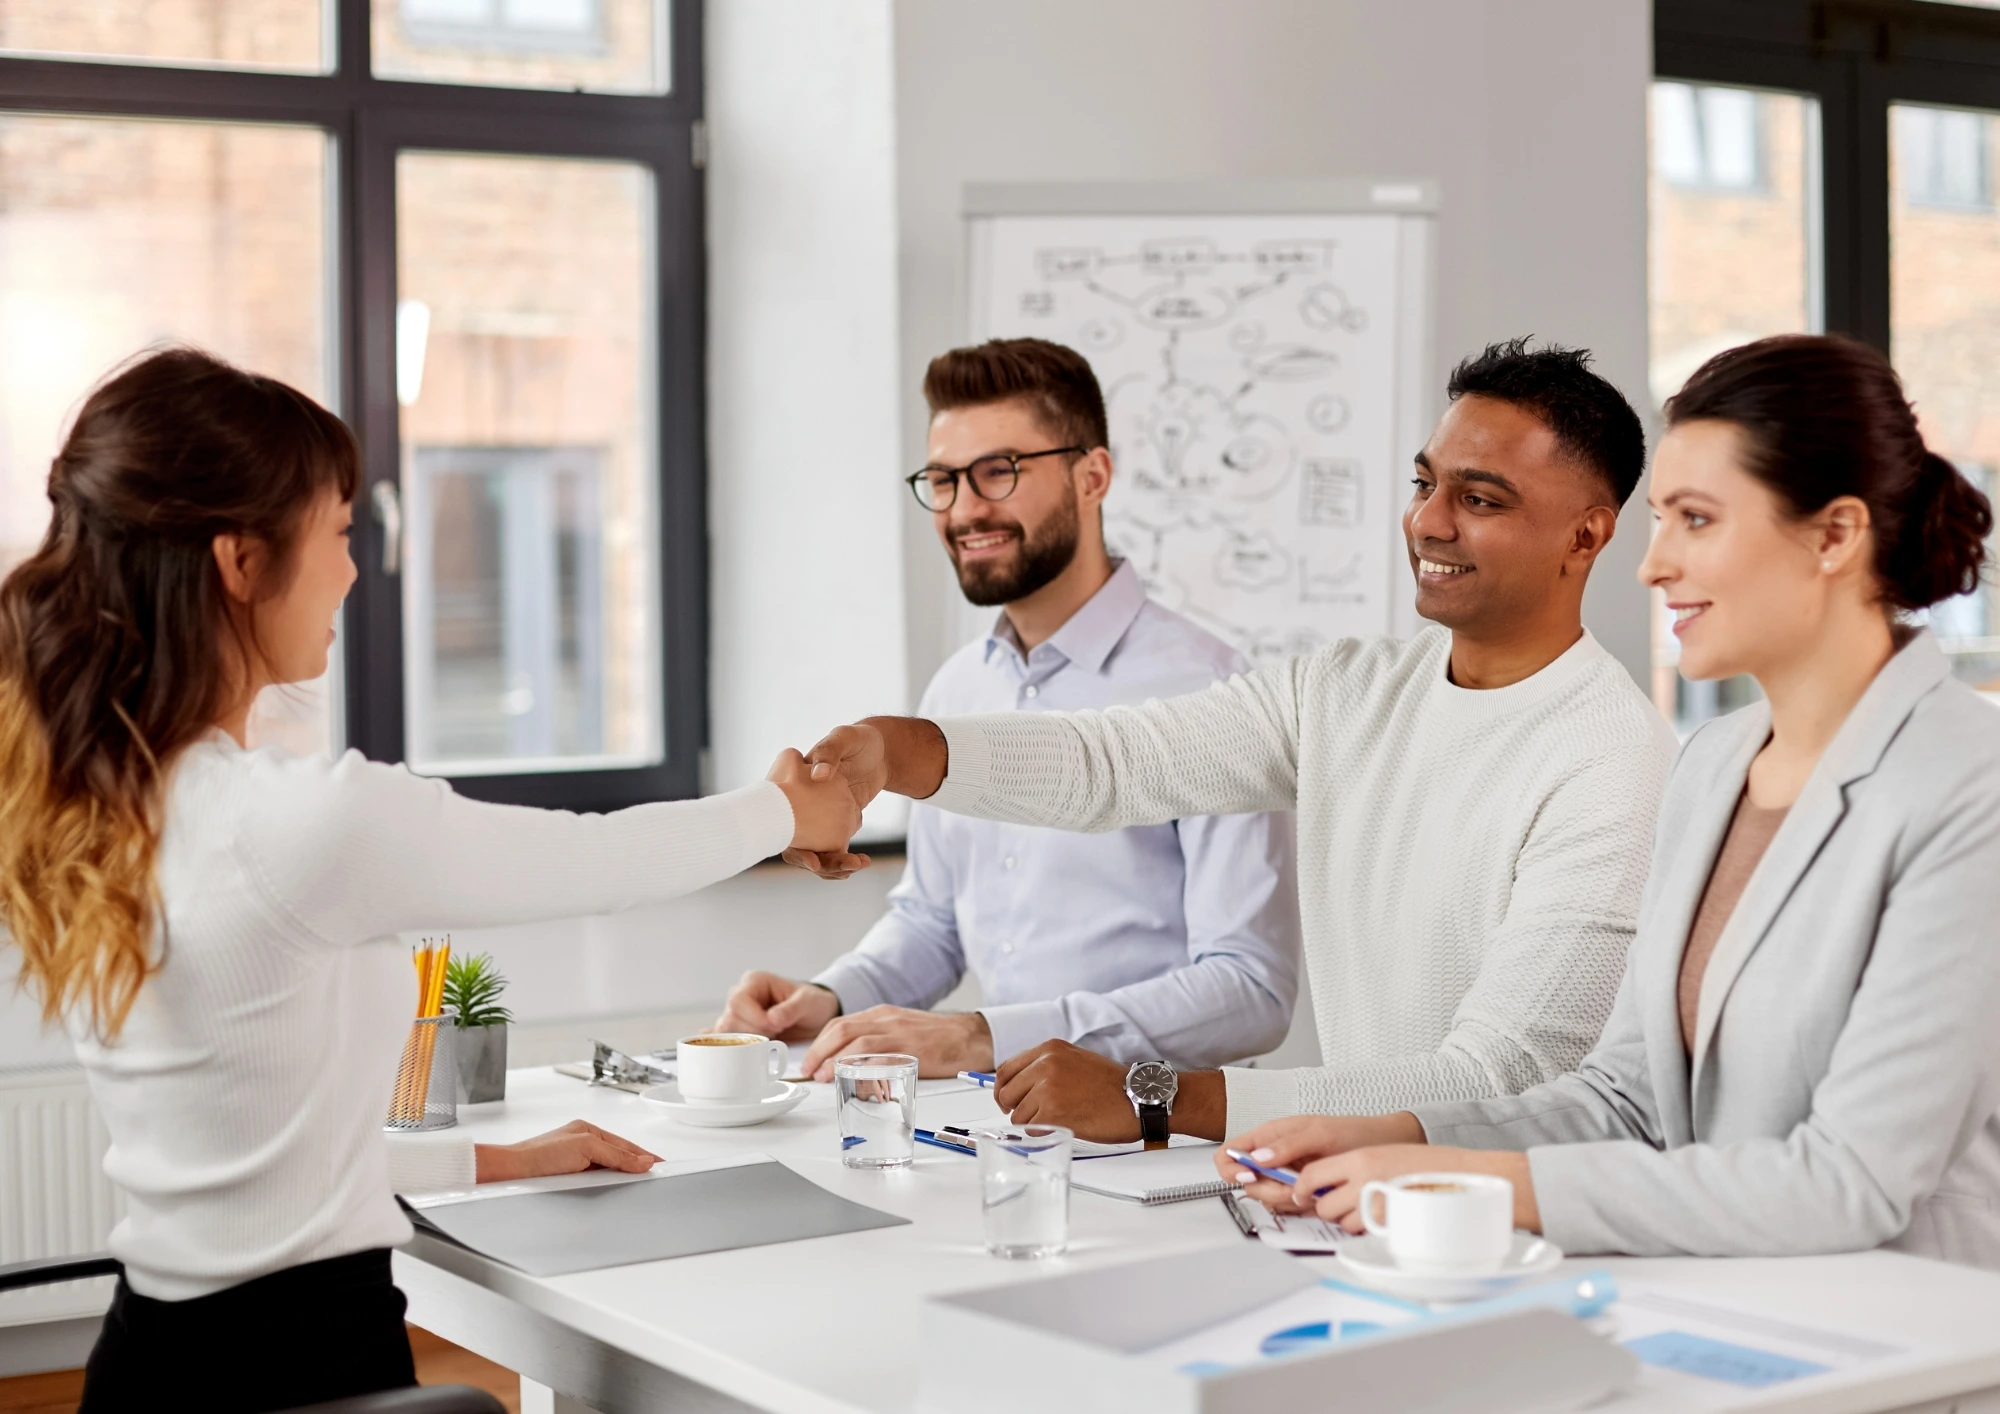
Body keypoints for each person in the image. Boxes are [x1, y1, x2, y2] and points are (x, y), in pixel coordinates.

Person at [0, 349, 861, 1411]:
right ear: (239, 561)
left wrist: (494, 1164)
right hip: (306, 1365)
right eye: (340, 532)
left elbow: (242, 1159)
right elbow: (595, 862)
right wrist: (788, 810)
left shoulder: (95, 805)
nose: (355, 572)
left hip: (152, 1367)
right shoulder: (299, 823)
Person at [1223, 334, 2000, 1270]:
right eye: (1662, 518)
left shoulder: (1968, 789)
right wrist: (1402, 1139)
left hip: (1909, 1345)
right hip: (1727, 1313)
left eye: (1698, 521)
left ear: (1834, 536)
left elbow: (1849, 1181)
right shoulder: (1714, 764)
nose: (1653, 564)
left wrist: (1495, 1185)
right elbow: (1625, 1099)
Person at [792, 339, 1679, 1143]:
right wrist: (891, 751)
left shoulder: (1611, 757)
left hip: (1513, 1217)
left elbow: (1497, 1078)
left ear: (1587, 534)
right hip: (1348, 1184)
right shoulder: (1344, 689)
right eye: (1424, 484)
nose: (1428, 522)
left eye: (1479, 498)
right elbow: (1114, 765)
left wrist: (1155, 1095)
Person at [715, 338, 1300, 1081]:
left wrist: (989, 1037)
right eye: (943, 479)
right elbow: (934, 923)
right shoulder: (958, 691)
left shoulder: (1210, 688)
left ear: (1093, 476)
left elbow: (1251, 989)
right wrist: (830, 999)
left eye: (999, 472)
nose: (964, 509)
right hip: (1001, 1128)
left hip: (1159, 1140)